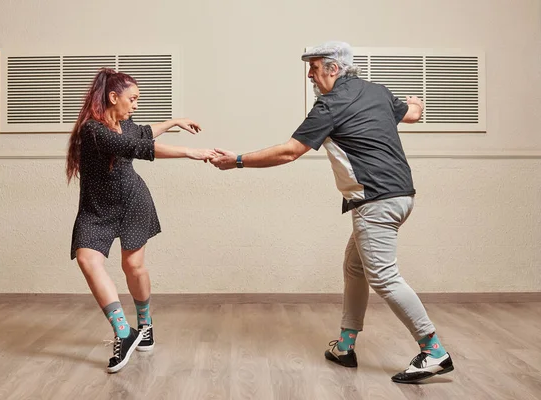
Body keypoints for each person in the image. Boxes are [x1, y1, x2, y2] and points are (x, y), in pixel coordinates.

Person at [209, 41, 453, 383]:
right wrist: (417, 102)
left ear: (334, 69)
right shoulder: (377, 91)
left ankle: (434, 350)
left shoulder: (329, 106)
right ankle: (345, 344)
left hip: (375, 201)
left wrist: (236, 161)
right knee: (355, 265)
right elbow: (412, 114)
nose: (310, 74)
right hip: (400, 196)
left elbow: (288, 152)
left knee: (383, 276)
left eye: (315, 67)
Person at [66, 68, 216, 373]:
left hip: (133, 201)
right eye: (132, 99)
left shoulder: (125, 123)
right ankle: (124, 331)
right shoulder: (93, 130)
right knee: (87, 259)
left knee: (132, 266)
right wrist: (189, 152)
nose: (135, 105)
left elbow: (143, 134)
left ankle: (145, 323)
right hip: (96, 209)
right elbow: (136, 147)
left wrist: (173, 122)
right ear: (113, 97)